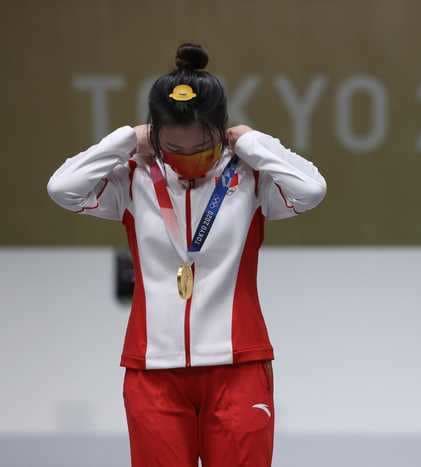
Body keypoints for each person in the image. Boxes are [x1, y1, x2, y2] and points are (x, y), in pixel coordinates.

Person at [46, 42, 327, 467]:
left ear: (220, 131)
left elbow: (312, 189)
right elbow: (62, 188)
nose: (186, 162)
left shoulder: (250, 178)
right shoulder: (133, 179)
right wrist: (126, 139)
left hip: (238, 367)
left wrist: (253, 143)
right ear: (154, 136)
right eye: (173, 149)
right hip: (152, 371)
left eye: (200, 149)